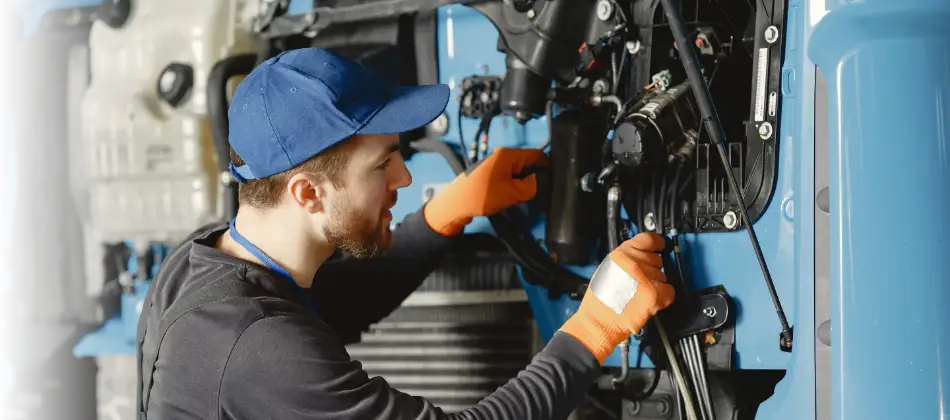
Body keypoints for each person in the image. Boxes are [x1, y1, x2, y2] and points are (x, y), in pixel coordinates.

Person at [135, 47, 675, 420]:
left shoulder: (206, 260)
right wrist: (593, 332)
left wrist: (448, 212)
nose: (406, 177)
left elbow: (341, 299)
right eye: (383, 164)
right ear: (306, 194)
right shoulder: (257, 346)